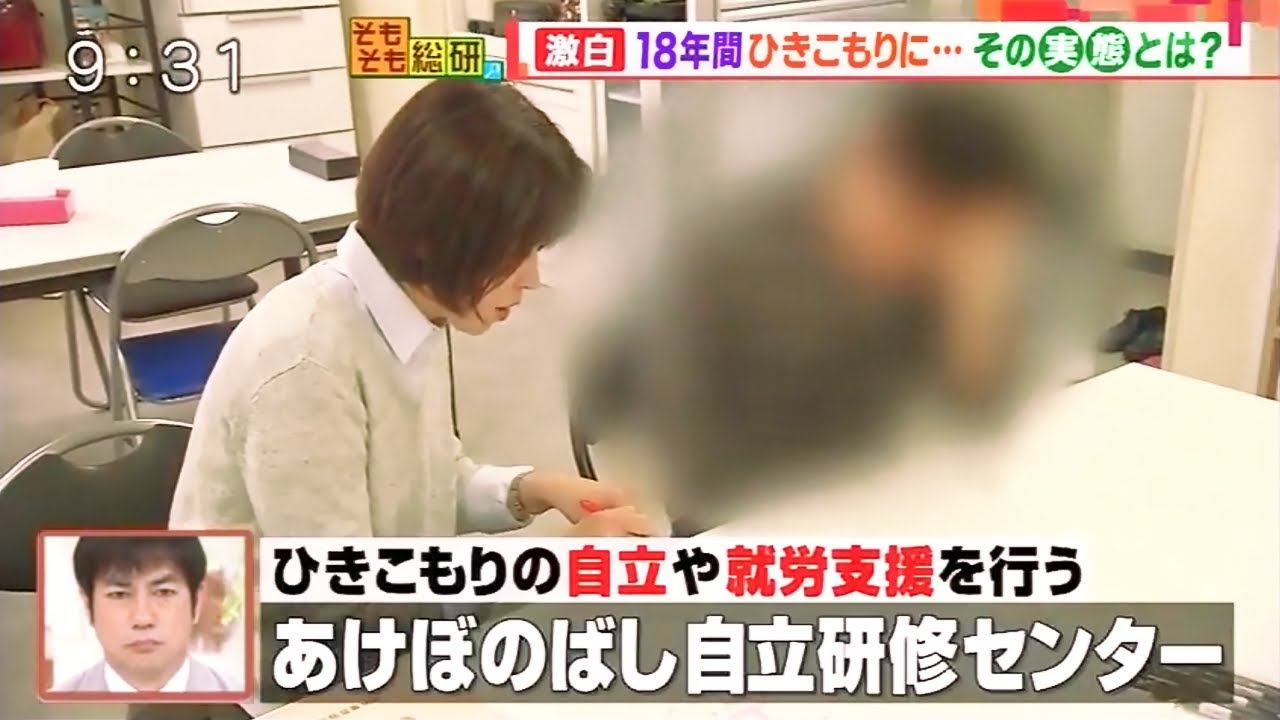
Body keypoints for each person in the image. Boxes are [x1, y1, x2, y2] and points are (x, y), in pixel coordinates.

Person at [574, 83, 1084, 534]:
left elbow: (980, 412)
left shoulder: (932, 272)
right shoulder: (753, 255)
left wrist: (976, 303)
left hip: (885, 500)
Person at [169, 80, 656, 539]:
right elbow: (341, 584)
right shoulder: (304, 364)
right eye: (516, 252)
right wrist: (562, 560)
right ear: (436, 235)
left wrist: (533, 489)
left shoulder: (412, 311)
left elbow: (425, 487)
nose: (530, 279)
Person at [56, 535, 239, 694]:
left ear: (197, 602)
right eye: (119, 594)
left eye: (164, 592)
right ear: (88, 606)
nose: (142, 619)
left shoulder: (247, 704)